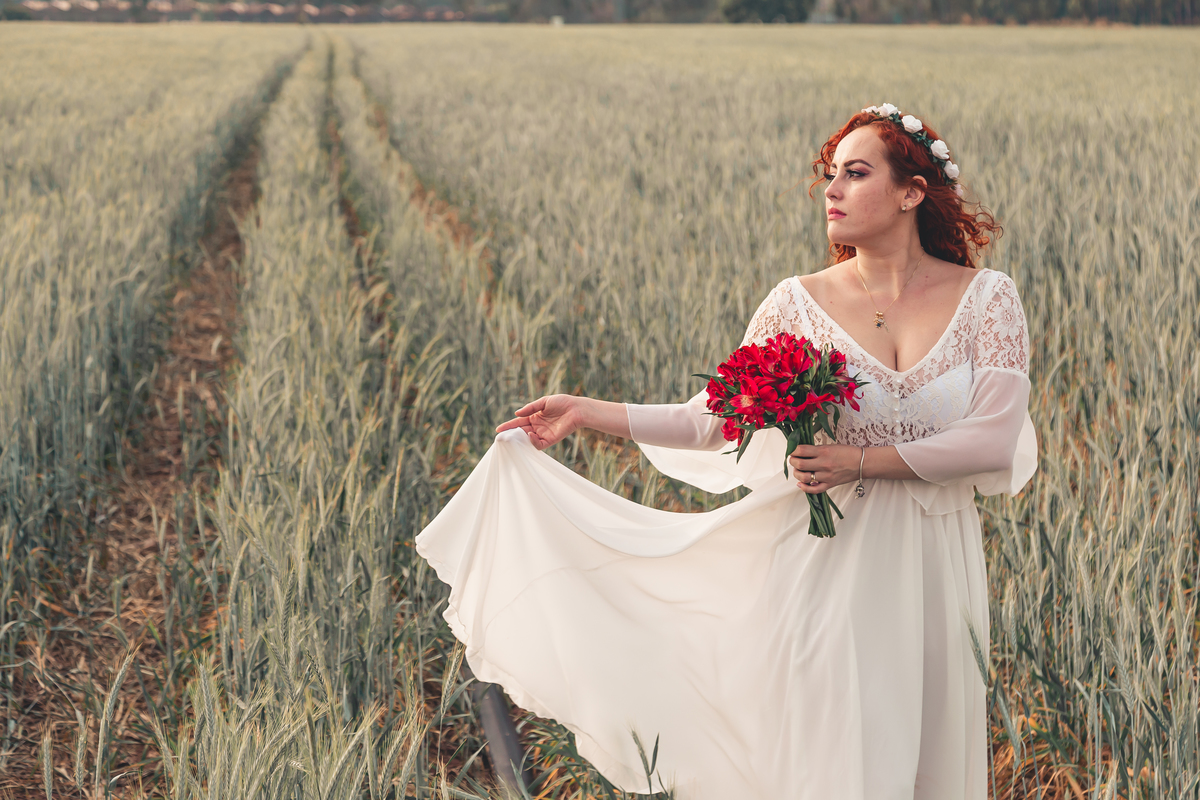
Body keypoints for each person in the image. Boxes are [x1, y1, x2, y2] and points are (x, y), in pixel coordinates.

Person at [415, 103, 1036, 800]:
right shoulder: (796, 303)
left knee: (929, 766)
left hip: (936, 571)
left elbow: (993, 439)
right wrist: (585, 412)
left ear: (911, 193)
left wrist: (858, 464)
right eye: (829, 175)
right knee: (831, 762)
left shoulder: (987, 300)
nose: (830, 191)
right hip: (820, 573)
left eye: (855, 174)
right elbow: (710, 422)